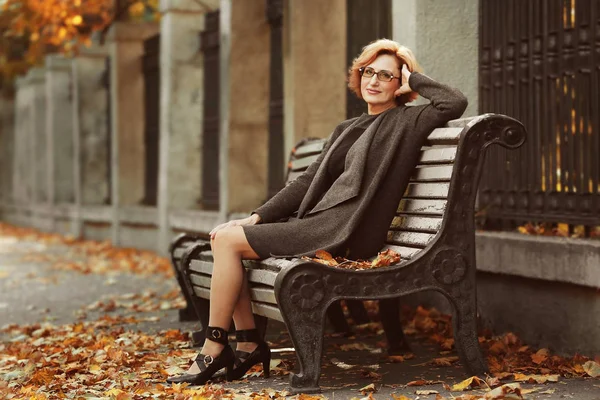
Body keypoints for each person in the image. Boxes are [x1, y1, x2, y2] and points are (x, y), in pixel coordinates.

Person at [166, 38, 467, 384]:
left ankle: (215, 349)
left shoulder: (408, 121)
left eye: (386, 76)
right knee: (224, 238)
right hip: (320, 224)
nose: (373, 81)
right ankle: (247, 345)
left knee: (228, 243)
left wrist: (414, 78)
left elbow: (454, 101)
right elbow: (306, 182)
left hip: (344, 231)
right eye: (369, 72)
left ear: (400, 85)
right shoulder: (348, 128)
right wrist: (257, 216)